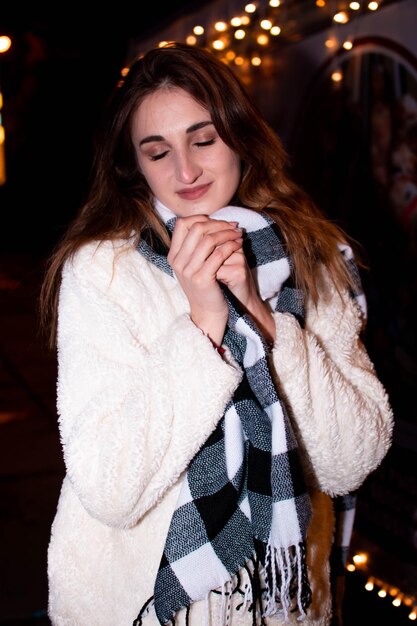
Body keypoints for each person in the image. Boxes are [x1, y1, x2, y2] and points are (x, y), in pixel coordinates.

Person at [39, 42, 394, 626]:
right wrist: (205, 324)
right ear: (136, 166)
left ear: (239, 135)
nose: (186, 171)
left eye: (203, 140)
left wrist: (259, 314)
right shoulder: (104, 270)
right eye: (158, 152)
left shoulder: (317, 256)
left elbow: (352, 460)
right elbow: (108, 488)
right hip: (145, 608)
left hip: (284, 603)